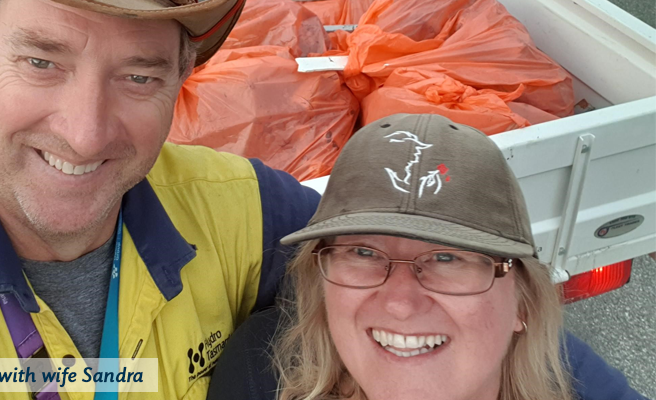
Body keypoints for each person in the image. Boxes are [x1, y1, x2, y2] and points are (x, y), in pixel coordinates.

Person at [0, 0, 636, 396]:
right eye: (41, 60)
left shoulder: (240, 209)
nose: (84, 132)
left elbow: (451, 305)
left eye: (139, 75)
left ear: (187, 80)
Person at [207, 113, 645, 400]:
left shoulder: (586, 386)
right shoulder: (259, 375)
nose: (400, 301)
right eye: (363, 252)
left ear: (523, 302)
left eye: (448, 259)